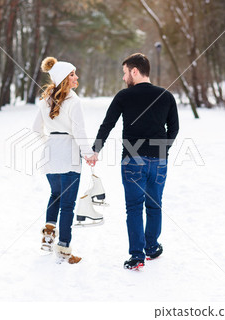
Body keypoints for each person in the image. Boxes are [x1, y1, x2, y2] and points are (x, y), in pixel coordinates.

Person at [88, 53, 179, 270]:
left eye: (125, 72)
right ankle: (152, 248)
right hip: (159, 160)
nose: (123, 78)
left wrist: (96, 150)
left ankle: (137, 256)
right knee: (154, 204)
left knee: (134, 208)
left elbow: (107, 124)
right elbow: (173, 129)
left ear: (135, 71)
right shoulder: (166, 96)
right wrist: (161, 150)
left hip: (132, 159)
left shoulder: (124, 96)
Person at [32, 57, 94, 264]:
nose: (76, 77)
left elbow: (35, 129)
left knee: (55, 194)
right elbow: (79, 130)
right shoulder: (74, 101)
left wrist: (50, 142)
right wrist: (88, 153)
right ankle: (64, 249)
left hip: (51, 155)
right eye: (72, 74)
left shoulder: (44, 100)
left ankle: (48, 234)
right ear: (64, 79)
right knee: (68, 204)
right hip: (69, 156)